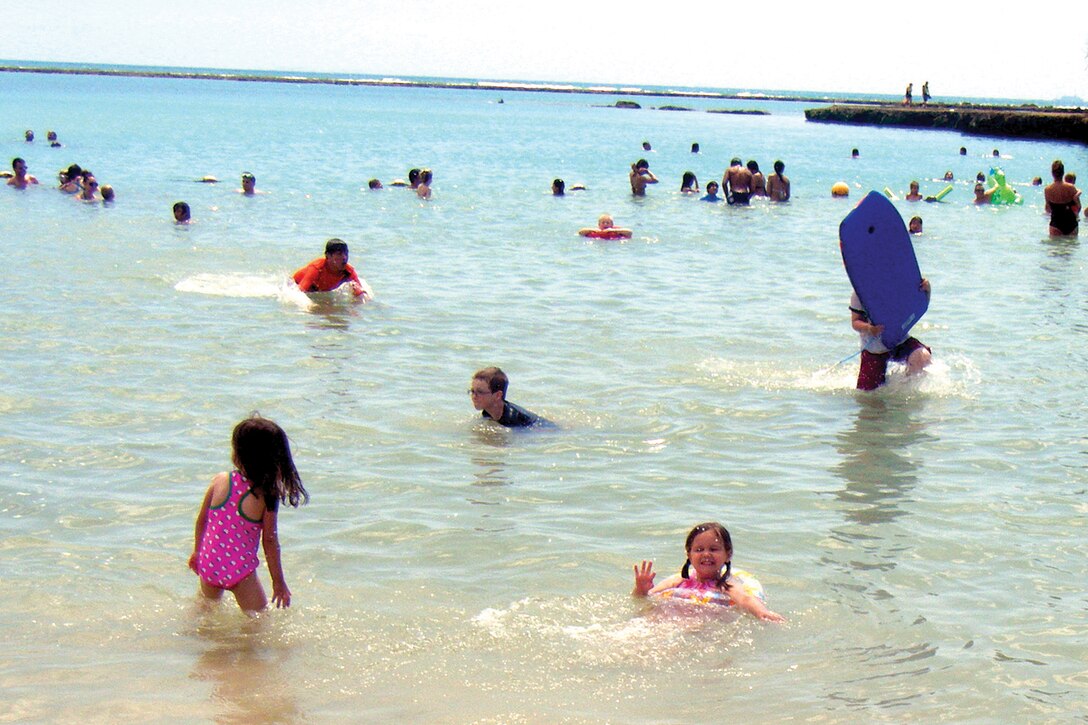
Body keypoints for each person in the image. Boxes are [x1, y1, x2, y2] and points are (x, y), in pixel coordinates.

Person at [188, 415, 308, 613]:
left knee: (207, 610)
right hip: (239, 572)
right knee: (259, 620)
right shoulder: (266, 495)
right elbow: (270, 541)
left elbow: (202, 520)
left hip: (209, 563)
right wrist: (278, 583)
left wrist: (197, 551)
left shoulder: (220, 480)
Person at [632, 522, 785, 622]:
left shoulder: (726, 584)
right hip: (671, 619)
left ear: (728, 554)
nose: (706, 554)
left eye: (713, 549)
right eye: (699, 550)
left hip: (701, 625)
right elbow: (646, 598)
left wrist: (763, 613)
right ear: (689, 554)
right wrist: (641, 589)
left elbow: (744, 599)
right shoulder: (679, 580)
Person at [850, 278, 932, 390]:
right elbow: (855, 322)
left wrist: (927, 291)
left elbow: (917, 308)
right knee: (867, 395)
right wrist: (869, 328)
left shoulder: (897, 282)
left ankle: (904, 393)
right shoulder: (859, 292)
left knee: (922, 357)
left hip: (899, 340)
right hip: (874, 349)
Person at [469, 367, 552, 428]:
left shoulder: (512, 420)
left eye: (480, 392)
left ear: (498, 395)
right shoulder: (487, 412)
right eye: (472, 391)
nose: (474, 396)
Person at [292, 238, 370, 298]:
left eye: (346, 253)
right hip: (294, 284)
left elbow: (360, 294)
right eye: (339, 254)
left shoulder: (348, 272)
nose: (344, 257)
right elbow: (299, 293)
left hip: (316, 291)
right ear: (328, 256)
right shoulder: (317, 268)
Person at [1044, 160, 1080, 237]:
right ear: (1063, 173)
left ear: (1052, 173)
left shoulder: (1047, 190)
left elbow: (1048, 209)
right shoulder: (1071, 187)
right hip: (1071, 224)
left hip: (1056, 223)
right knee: (1071, 247)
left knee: (1056, 248)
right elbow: (1078, 208)